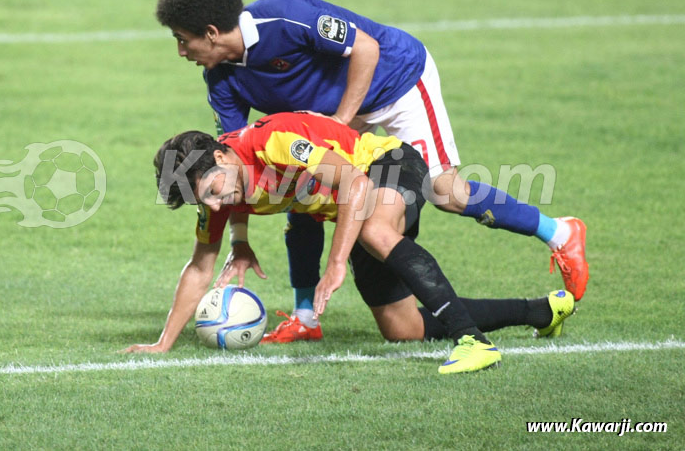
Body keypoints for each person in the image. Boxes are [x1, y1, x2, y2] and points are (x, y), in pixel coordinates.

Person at [154, 0, 588, 344]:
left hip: (393, 81)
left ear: (211, 32)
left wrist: (341, 126)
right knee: (301, 190)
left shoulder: (285, 15)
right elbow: (232, 158)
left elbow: (365, 49)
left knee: (444, 191)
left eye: (183, 39)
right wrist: (240, 240)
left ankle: (558, 231)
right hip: (326, 124)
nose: (180, 52)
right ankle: (305, 317)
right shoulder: (221, 82)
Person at [123, 113, 576, 374]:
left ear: (223, 156)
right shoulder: (214, 190)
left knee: (378, 232)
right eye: (208, 199)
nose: (219, 201)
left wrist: (337, 262)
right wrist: (164, 343)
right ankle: (541, 310)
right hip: (352, 212)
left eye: (217, 188)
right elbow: (200, 267)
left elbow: (355, 184)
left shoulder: (273, 142)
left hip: (387, 164)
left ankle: (474, 342)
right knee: (402, 329)